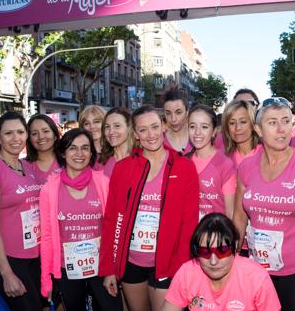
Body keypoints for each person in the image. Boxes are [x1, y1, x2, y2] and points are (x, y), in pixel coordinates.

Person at [232, 97, 295, 310]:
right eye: (272, 123)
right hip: (257, 269)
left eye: (286, 121)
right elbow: (239, 219)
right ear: (258, 130)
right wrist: (230, 261)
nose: (281, 129)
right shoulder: (247, 167)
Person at [99, 104, 199, 311]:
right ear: (135, 134)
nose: (150, 135)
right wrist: (110, 268)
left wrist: (182, 267)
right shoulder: (122, 168)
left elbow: (189, 223)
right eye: (143, 130)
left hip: (168, 263)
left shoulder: (184, 166)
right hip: (131, 262)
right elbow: (110, 221)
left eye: (155, 127)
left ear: (164, 127)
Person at [39, 128, 122, 310]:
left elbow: (114, 229)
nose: (79, 154)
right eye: (72, 148)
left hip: (101, 267)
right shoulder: (49, 189)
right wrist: (46, 278)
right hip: (67, 270)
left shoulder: (103, 183)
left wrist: (112, 270)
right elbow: (46, 237)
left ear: (92, 153)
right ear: (62, 152)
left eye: (85, 148)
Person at [0, 112, 44, 310]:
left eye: (21, 132)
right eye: (8, 133)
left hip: (35, 255)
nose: (16, 138)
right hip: (10, 260)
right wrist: (6, 273)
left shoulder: (27, 166)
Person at [161, 213, 281, 311]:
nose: (213, 261)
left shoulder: (257, 278)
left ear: (235, 246)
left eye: (222, 251)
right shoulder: (187, 272)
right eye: (205, 252)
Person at [186, 105, 236, 219]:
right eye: (192, 126)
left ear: (214, 131)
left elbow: (230, 213)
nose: (197, 132)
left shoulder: (225, 164)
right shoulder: (184, 162)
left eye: (204, 127)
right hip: (191, 233)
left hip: (216, 232)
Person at [222, 100, 261, 167]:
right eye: (232, 123)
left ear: (252, 124)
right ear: (227, 127)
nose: (238, 128)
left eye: (243, 122)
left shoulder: (267, 153)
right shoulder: (223, 158)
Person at [98, 107, 134, 178]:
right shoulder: (101, 162)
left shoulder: (141, 159)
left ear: (129, 127)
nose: (111, 132)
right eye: (107, 127)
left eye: (117, 126)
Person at [26, 114, 61, 184]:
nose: (41, 137)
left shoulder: (68, 162)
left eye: (46, 131)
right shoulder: (22, 166)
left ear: (55, 135)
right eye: (34, 133)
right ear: (29, 139)